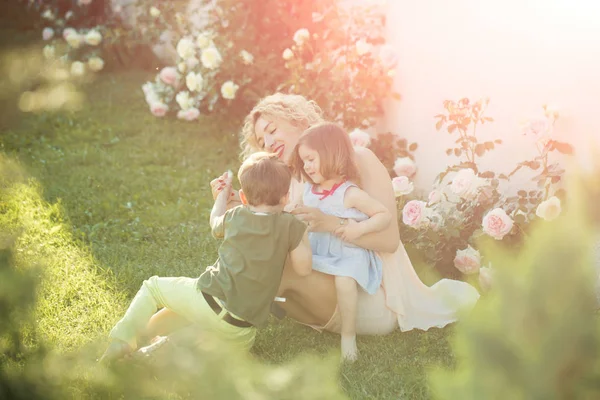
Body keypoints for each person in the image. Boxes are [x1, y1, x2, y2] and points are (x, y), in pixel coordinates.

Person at [147, 93, 479, 346]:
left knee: (271, 265)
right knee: (253, 260)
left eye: (273, 129)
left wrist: (329, 224)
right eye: (262, 141)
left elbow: (389, 241)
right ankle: (148, 333)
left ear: (299, 119)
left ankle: (176, 341)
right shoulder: (288, 184)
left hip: (372, 299)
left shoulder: (357, 159)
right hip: (316, 297)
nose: (269, 142)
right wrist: (236, 203)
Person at [99, 152, 311, 362]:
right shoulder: (292, 226)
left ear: (244, 198)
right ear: (286, 197)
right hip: (241, 333)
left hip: (208, 303)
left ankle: (122, 341)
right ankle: (145, 359)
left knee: (152, 287)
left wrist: (222, 196)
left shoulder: (237, 216)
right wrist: (303, 234)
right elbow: (303, 269)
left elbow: (215, 223)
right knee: (200, 342)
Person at [288, 122, 391, 361]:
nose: (307, 166)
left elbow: (383, 215)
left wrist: (359, 229)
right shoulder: (310, 190)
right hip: (321, 248)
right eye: (304, 162)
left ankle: (348, 337)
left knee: (344, 281)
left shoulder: (350, 193)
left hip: (348, 252)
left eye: (311, 159)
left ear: (330, 153)